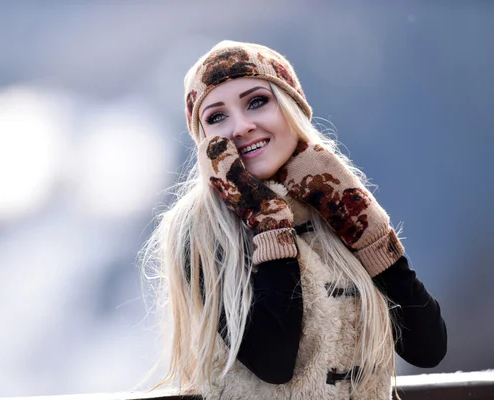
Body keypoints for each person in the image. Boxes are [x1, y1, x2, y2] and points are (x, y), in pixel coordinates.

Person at [141, 40, 447, 400]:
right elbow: (273, 361)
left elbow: (427, 348)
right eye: (217, 116)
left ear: (291, 109)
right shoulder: (200, 230)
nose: (240, 127)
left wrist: (369, 231)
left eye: (257, 101)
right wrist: (267, 221)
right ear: (205, 140)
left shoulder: (332, 201)